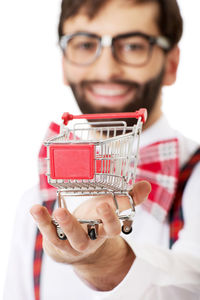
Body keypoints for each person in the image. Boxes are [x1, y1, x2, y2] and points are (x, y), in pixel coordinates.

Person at [4, 0, 200, 299]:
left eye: (134, 46)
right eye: (84, 44)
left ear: (172, 64)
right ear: (64, 64)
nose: (107, 69)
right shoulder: (34, 203)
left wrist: (109, 263)